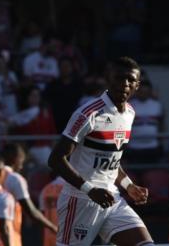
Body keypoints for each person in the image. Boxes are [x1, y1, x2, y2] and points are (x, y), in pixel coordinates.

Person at [48, 57, 154, 246]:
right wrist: (90, 190)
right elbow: (56, 159)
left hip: (112, 199)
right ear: (108, 79)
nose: (125, 84)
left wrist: (129, 185)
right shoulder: (88, 113)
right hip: (80, 200)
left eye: (131, 80)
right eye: (120, 78)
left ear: (137, 85)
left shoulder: (129, 113)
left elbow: (111, 159)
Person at [0, 143, 57, 246]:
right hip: (6, 239)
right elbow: (31, 211)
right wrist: (53, 227)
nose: (22, 165)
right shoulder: (15, 179)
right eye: (22, 160)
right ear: (15, 158)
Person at [39, 173, 64, 246]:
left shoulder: (45, 189)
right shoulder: (72, 189)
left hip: (49, 236)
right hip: (67, 237)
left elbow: (41, 215)